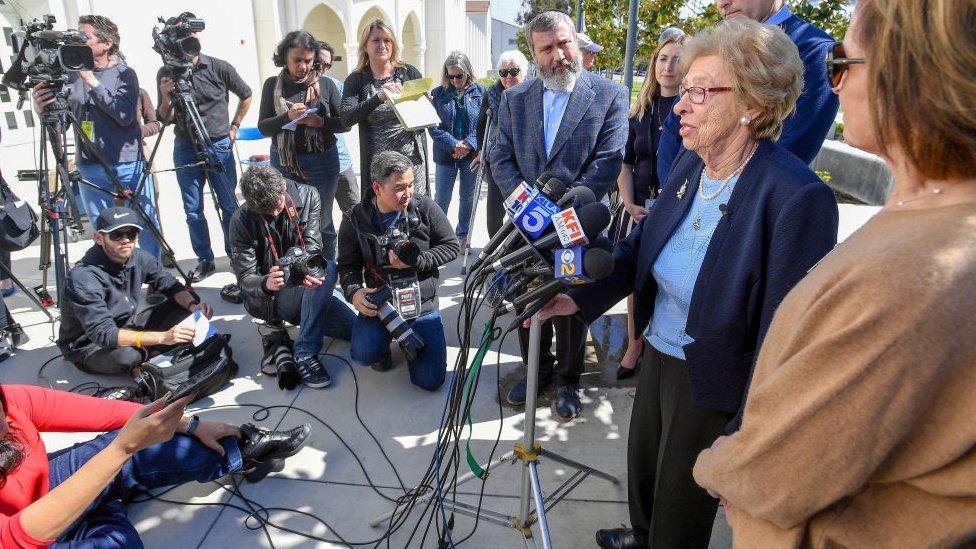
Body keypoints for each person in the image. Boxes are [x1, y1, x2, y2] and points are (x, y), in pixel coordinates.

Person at [530, 18, 839, 549]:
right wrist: (574, 297)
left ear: (753, 104)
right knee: (645, 473)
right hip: (658, 353)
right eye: (685, 90)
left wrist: (747, 433)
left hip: (715, 382)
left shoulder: (796, 198)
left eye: (700, 92)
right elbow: (637, 253)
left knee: (681, 507)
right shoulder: (691, 168)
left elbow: (783, 341)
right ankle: (642, 534)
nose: (679, 104)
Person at [693, 1, 976, 546]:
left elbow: (780, 473)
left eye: (842, 63)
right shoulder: (932, 223)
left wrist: (718, 466)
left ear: (913, 74)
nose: (833, 84)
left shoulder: (913, 273)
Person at [488, 10, 629, 421]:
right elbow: (500, 157)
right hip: (525, 226)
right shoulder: (515, 99)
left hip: (577, 226)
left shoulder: (608, 94)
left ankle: (568, 379)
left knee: (569, 304)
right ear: (534, 54)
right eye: (546, 48)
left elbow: (608, 161)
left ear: (576, 42)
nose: (558, 55)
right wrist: (530, 206)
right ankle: (537, 372)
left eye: (564, 43)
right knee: (527, 300)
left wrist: (562, 211)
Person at [0, 384, 311, 547]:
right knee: (118, 544)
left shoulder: (10, 399)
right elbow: (18, 538)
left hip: (44, 484)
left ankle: (245, 452)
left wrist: (191, 425)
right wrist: (120, 452)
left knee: (157, 443)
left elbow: (108, 413)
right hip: (23, 535)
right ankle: (102, 500)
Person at [657, 0, 839, 185]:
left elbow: (788, 151)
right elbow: (673, 129)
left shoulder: (817, 52)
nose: (722, 3)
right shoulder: (713, 43)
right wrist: (673, 194)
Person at [31, 15, 163, 261]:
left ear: (106, 43)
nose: (78, 41)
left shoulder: (125, 74)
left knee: (143, 220)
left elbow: (124, 116)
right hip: (89, 164)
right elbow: (62, 123)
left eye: (86, 37)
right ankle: (115, 275)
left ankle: (153, 275)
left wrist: (91, 80)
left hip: (127, 162)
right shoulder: (69, 76)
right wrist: (42, 111)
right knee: (103, 226)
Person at [337, 151, 459, 391]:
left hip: (422, 302)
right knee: (364, 354)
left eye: (411, 185)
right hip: (382, 304)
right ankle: (384, 345)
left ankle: (409, 338)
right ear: (377, 187)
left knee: (430, 381)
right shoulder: (355, 219)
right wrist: (354, 293)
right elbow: (347, 266)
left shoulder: (423, 207)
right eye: (400, 187)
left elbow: (451, 246)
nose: (408, 193)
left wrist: (418, 261)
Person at [229, 166, 355, 389]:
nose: (275, 214)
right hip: (272, 296)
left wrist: (299, 268)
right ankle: (305, 353)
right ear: (251, 204)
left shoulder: (308, 196)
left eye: (277, 207)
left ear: (283, 187)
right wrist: (265, 283)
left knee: (356, 331)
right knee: (329, 273)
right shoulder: (241, 220)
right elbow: (245, 278)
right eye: (267, 212)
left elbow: (314, 247)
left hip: (307, 284)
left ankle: (310, 316)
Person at [57, 207, 215, 376]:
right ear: (99, 238)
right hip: (90, 343)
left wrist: (193, 307)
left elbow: (171, 286)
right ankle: (153, 351)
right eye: (116, 235)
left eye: (131, 234)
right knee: (127, 356)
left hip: (126, 325)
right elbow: (104, 334)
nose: (125, 240)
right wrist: (163, 338)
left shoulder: (139, 257)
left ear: (137, 236)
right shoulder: (84, 278)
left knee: (188, 301)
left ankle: (152, 350)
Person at [157, 11, 252, 286]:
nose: (189, 39)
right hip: (186, 145)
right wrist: (165, 96)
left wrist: (234, 126)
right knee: (192, 209)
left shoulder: (218, 67)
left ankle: (235, 255)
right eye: (182, 34)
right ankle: (205, 258)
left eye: (192, 34)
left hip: (218, 144)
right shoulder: (166, 72)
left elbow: (246, 94)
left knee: (229, 206)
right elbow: (164, 118)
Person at [614, 32, 686, 380]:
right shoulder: (638, 112)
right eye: (662, 58)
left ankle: (664, 343)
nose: (668, 66)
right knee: (635, 281)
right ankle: (634, 342)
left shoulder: (692, 111)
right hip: (640, 210)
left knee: (669, 279)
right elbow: (625, 165)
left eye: (677, 59)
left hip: (677, 212)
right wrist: (628, 203)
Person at [258, 31, 348, 261]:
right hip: (285, 163)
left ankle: (326, 272)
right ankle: (299, 268)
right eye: (297, 60)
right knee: (290, 218)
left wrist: (320, 123)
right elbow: (264, 127)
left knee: (323, 222)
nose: (303, 66)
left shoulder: (326, 84)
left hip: (322, 163)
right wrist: (286, 117)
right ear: (284, 58)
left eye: (308, 60)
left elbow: (343, 123)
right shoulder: (272, 85)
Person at [341, 19, 431, 199]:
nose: (382, 45)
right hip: (379, 165)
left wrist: (426, 105)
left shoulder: (409, 72)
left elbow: (425, 118)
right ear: (365, 45)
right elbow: (346, 118)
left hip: (412, 160)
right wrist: (378, 98)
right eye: (376, 40)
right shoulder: (356, 80)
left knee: (416, 211)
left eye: (387, 40)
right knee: (383, 212)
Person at [474, 49, 529, 307]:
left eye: (514, 72)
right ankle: (495, 254)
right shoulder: (492, 94)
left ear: (524, 72)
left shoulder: (531, 93)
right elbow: (481, 126)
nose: (508, 77)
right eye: (504, 72)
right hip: (497, 161)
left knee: (518, 216)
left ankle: (515, 256)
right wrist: (480, 150)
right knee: (493, 213)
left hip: (523, 165)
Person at [429, 51, 485, 252]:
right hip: (446, 155)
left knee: (467, 197)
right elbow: (433, 127)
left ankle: (462, 235)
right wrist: (454, 144)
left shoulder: (481, 92)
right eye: (450, 76)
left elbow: (484, 123)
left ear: (468, 72)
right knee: (442, 198)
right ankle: (439, 237)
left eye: (458, 76)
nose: (454, 80)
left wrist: (468, 144)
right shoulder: (438, 94)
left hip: (470, 156)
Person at [317, 41, 360, 216]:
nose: (322, 68)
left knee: (354, 212)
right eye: (319, 61)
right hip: (313, 167)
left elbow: (345, 121)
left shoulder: (334, 85)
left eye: (327, 65)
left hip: (341, 160)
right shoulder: (296, 88)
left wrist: (321, 122)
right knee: (320, 218)